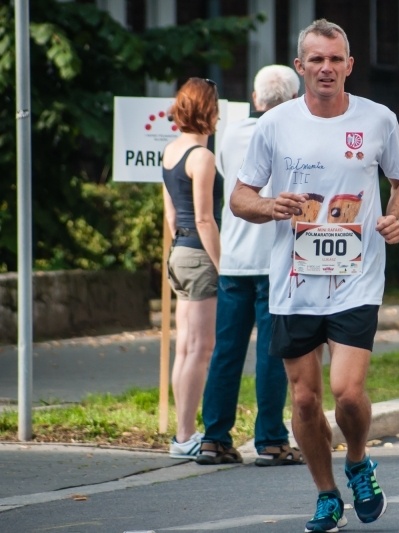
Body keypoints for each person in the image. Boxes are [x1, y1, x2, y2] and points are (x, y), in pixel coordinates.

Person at [229, 18, 399, 533]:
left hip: (357, 276)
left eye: (336, 59)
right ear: (300, 66)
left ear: (349, 65)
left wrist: (395, 217)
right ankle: (327, 494)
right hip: (294, 281)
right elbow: (240, 197)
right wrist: (270, 206)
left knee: (348, 393)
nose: (327, 68)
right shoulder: (275, 124)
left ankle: (358, 461)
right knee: (305, 399)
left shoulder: (378, 119)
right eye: (316, 59)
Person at [195, 65, 305, 466]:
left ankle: (214, 438)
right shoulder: (295, 133)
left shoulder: (231, 134)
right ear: (293, 99)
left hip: (234, 259)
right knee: (272, 353)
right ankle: (271, 441)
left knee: (226, 351)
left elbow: (236, 185)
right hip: (275, 259)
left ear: (256, 99)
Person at [161, 77, 223, 459]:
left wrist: (180, 249)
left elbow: (172, 215)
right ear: (208, 111)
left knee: (184, 348)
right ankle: (185, 437)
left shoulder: (170, 151)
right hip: (200, 255)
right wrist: (222, 266)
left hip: (179, 253)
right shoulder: (202, 157)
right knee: (201, 348)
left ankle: (183, 432)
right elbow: (204, 219)